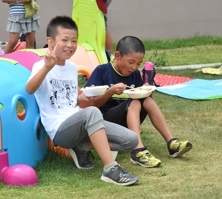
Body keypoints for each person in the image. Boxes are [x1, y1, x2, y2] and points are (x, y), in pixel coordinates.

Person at [26, 16, 139, 186]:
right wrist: (47, 68)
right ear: (50, 41)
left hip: (78, 122)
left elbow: (71, 100)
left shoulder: (72, 68)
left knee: (131, 140)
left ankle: (82, 146)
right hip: (59, 130)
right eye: (65, 40)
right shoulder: (41, 66)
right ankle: (111, 169)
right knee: (92, 112)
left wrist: (83, 97)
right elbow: (30, 89)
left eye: (74, 40)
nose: (70, 45)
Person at [85, 36, 193, 168]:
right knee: (135, 103)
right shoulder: (102, 71)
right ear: (117, 55)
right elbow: (90, 105)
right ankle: (138, 151)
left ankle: (171, 143)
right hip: (106, 121)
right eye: (131, 62)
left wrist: (146, 90)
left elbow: (140, 94)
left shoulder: (135, 74)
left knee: (146, 99)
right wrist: (110, 92)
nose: (134, 67)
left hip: (129, 119)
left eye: (138, 64)